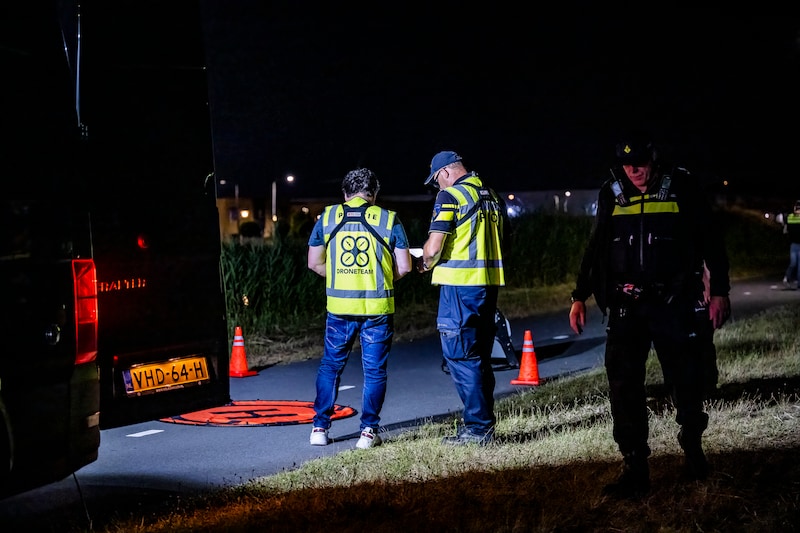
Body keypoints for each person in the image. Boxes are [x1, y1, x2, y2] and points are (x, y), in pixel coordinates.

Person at [568, 133, 731, 499]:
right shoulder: (612, 191)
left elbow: (710, 239)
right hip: (627, 308)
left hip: (674, 304)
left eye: (640, 163)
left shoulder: (682, 185)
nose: (634, 170)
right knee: (624, 387)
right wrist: (579, 295)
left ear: (653, 157)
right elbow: (596, 245)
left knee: (686, 380)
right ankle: (634, 468)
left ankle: (693, 449)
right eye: (627, 165)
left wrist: (719, 290)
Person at [307, 168, 412, 449]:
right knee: (374, 371)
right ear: (373, 194)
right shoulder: (389, 219)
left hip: (339, 308)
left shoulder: (327, 217)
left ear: (344, 194)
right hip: (377, 309)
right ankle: (367, 432)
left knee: (330, 367)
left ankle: (319, 428)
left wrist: (344, 277)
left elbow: (314, 263)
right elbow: (404, 266)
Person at [417, 150, 507, 446]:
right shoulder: (491, 194)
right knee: (480, 356)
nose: (436, 188)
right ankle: (484, 425)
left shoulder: (450, 196)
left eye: (435, 182)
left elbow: (433, 248)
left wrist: (423, 263)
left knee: (460, 356)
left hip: (459, 286)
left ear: (444, 173)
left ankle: (478, 430)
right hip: (488, 285)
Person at [781, 200, 800, 290]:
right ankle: (787, 278)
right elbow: (784, 223)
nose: (798, 210)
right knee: (793, 263)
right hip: (794, 244)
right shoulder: (790, 217)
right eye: (797, 208)